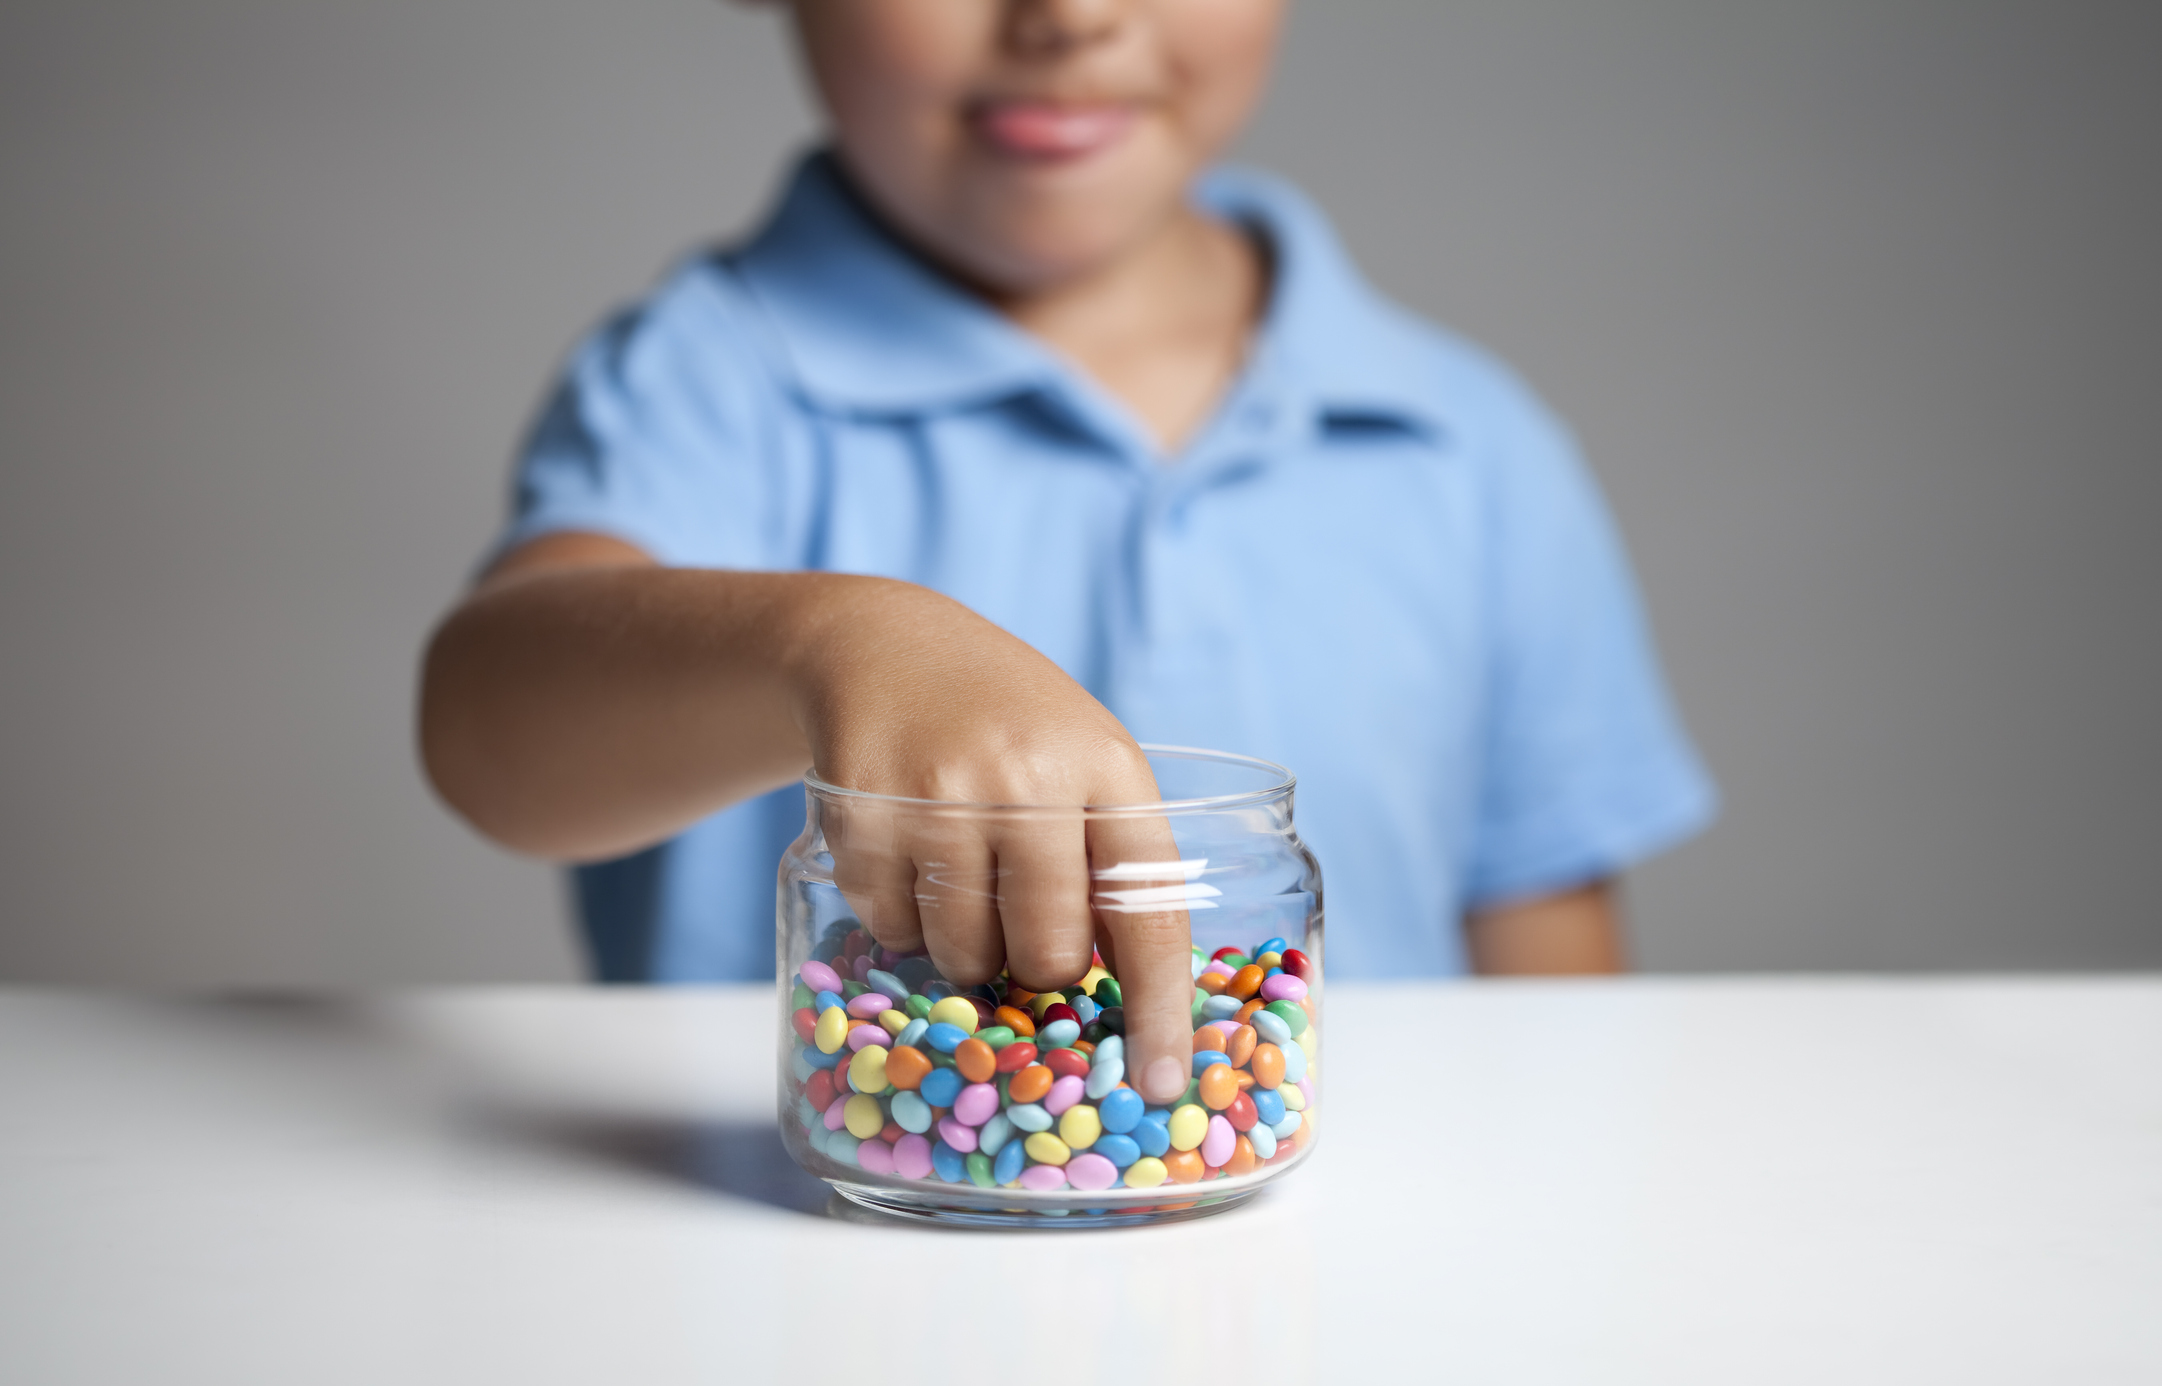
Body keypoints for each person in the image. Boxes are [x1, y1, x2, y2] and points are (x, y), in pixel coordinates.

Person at [418, 0, 1714, 1107]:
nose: (1069, 12)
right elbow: (486, 725)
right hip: (823, 1258)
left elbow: (1560, 1010)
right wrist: (832, 643)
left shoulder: (1456, 440)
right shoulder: (706, 386)